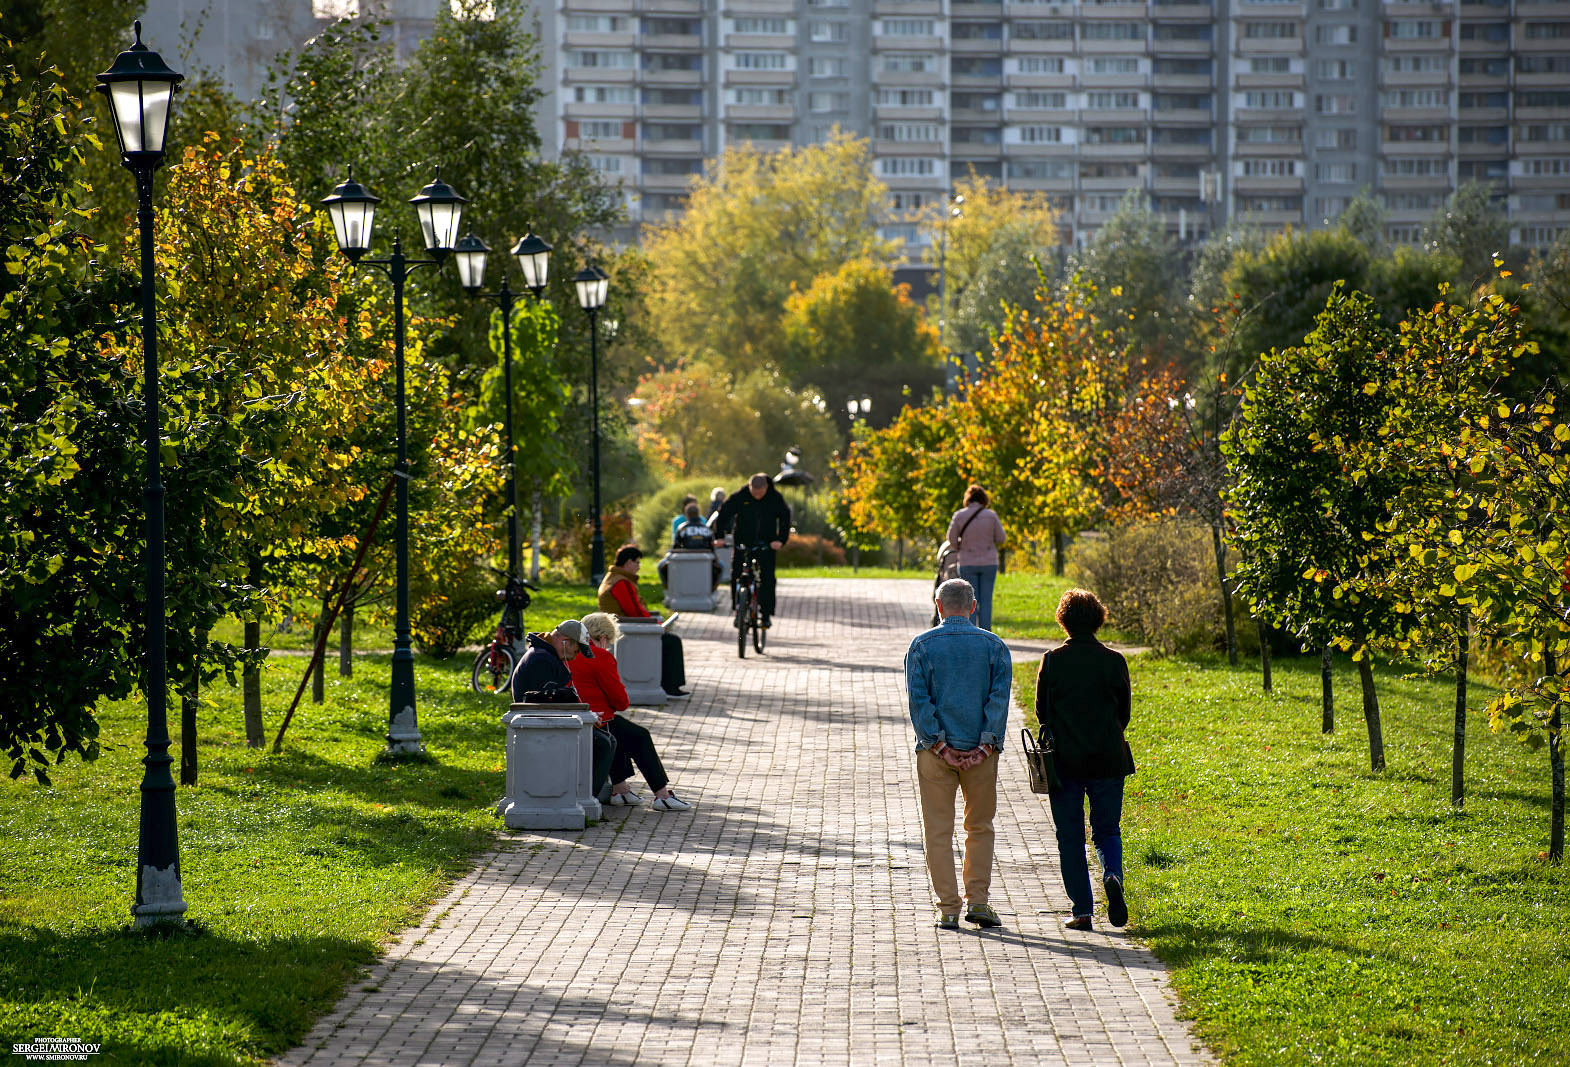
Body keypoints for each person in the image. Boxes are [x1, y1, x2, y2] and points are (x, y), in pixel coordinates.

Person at [905, 577, 1013, 931]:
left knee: (937, 830)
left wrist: (939, 745)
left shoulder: (921, 646)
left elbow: (920, 703)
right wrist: (983, 746)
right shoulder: (994, 646)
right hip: (981, 754)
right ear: (973, 606)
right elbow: (998, 701)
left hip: (935, 754)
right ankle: (978, 901)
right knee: (979, 826)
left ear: (938, 606)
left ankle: (948, 908)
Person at [1036, 588, 1133, 932]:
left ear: (1063, 621)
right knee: (1107, 829)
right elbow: (1124, 713)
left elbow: (1042, 715)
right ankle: (1112, 873)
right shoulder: (1114, 660)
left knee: (1071, 836)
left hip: (1065, 762)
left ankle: (1082, 910)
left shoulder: (1052, 660)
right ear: (1098, 619)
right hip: (1109, 759)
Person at [569, 612, 694, 811]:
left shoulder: (568, 652)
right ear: (602, 638)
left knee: (618, 729)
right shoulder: (599, 656)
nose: (608, 645)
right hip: (594, 721)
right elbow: (621, 701)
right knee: (639, 736)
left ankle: (621, 790)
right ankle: (662, 796)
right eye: (608, 641)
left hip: (573, 719)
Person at [511, 619, 616, 800]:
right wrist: (585, 716)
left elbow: (553, 699)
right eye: (576, 651)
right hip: (538, 728)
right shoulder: (541, 659)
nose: (575, 657)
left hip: (545, 722)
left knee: (608, 739)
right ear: (566, 641)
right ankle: (582, 799)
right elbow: (545, 705)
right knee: (602, 744)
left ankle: (585, 796)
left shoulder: (546, 654)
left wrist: (586, 715)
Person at [598, 543, 689, 698]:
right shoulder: (622, 582)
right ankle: (670, 686)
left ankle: (667, 684)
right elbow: (635, 612)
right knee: (672, 642)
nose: (639, 567)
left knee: (668, 641)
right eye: (637, 562)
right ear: (628, 563)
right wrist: (658, 626)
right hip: (628, 632)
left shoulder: (613, 577)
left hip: (621, 628)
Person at [714, 473, 791, 627]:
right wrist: (720, 536)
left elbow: (785, 518)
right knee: (736, 573)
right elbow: (723, 514)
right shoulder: (740, 496)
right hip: (743, 541)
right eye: (753, 492)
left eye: (760, 492)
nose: (756, 495)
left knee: (767, 577)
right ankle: (738, 609)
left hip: (767, 543)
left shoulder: (774, 498)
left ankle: (766, 614)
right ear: (749, 487)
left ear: (766, 488)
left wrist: (780, 540)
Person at [946, 485, 1007, 632]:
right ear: (983, 499)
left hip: (967, 561)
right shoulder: (991, 516)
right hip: (989, 562)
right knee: (986, 600)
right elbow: (1001, 538)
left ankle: (971, 630)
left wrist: (961, 546)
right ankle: (986, 632)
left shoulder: (959, 515)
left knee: (969, 598)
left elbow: (951, 538)